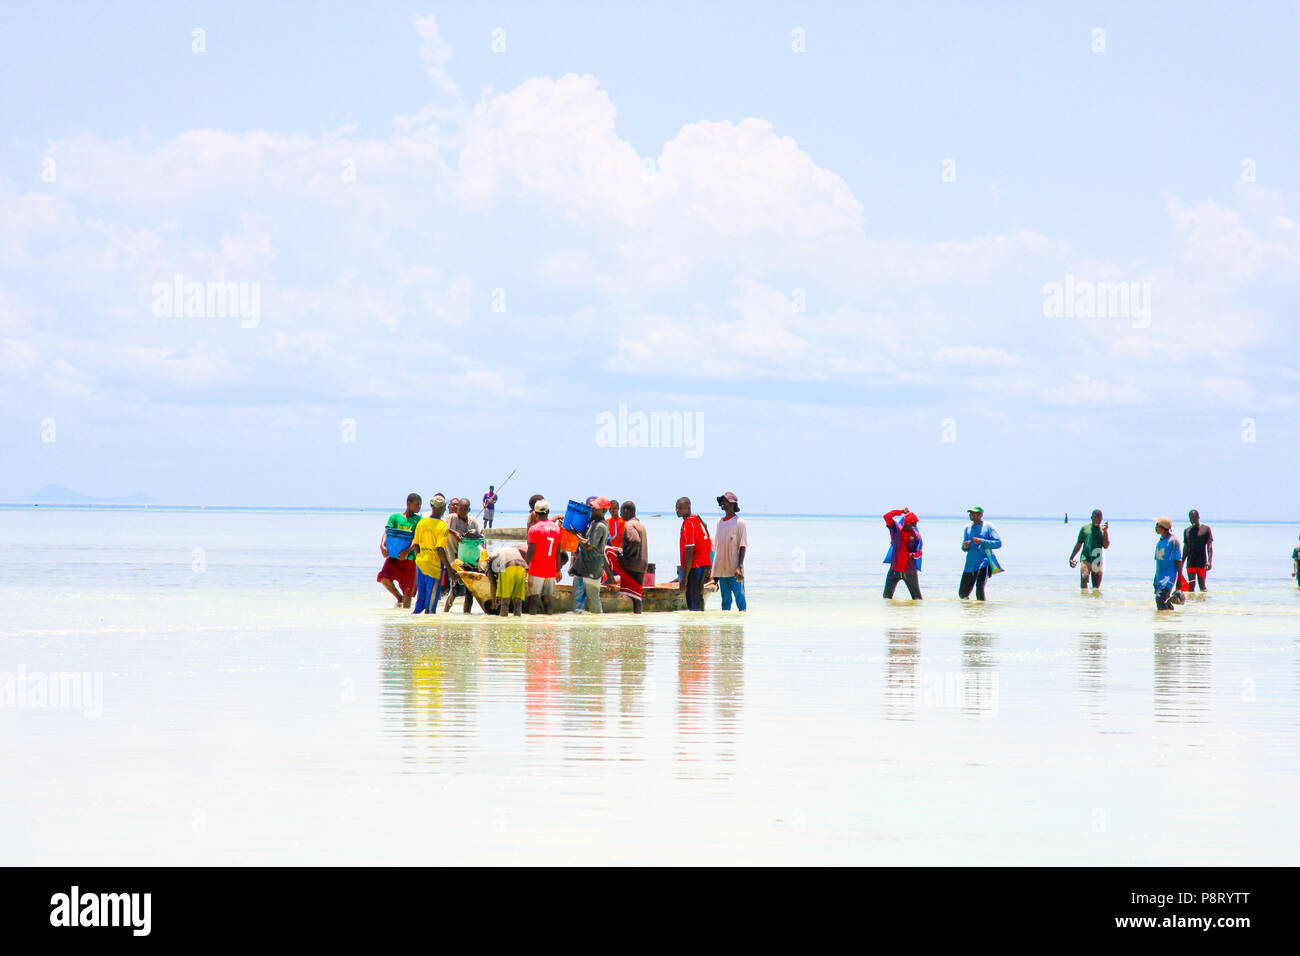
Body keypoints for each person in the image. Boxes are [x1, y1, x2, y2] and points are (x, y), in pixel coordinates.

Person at [411, 495, 454, 614]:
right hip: (434, 566)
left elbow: (417, 546)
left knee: (420, 601)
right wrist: (449, 569)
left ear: (432, 506)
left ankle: (414, 628)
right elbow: (440, 549)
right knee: (430, 604)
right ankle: (428, 630)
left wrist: (419, 560)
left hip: (421, 563)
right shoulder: (442, 526)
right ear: (443, 508)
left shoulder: (422, 522)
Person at [377, 493, 421, 608]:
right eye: (416, 504)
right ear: (408, 503)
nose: (418, 507)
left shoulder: (419, 520)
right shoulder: (395, 517)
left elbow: (416, 539)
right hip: (393, 556)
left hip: (409, 558)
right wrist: (382, 545)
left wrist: (407, 551)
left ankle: (405, 622)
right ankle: (398, 598)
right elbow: (387, 532)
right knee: (384, 578)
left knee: (408, 590)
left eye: (420, 505)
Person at [607, 501, 648, 613]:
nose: (621, 514)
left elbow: (635, 541)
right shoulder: (640, 524)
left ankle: (610, 578)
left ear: (627, 511)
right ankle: (637, 619)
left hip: (632, 565)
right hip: (642, 565)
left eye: (621, 511)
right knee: (637, 598)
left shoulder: (629, 524)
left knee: (606, 551)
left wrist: (625, 554)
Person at [443, 499, 483, 613]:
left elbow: (481, 536)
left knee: (470, 592)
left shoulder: (473, 521)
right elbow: (442, 527)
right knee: (454, 590)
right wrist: (454, 532)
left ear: (469, 509)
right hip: (454, 560)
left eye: (465, 509)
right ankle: (445, 612)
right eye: (460, 509)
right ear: (457, 509)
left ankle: (467, 614)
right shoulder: (450, 518)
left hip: (470, 561)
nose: (463, 512)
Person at [571, 498, 610, 613]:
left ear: (603, 511)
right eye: (592, 507)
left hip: (593, 568)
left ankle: (597, 625)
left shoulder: (600, 526)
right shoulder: (593, 523)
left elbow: (588, 545)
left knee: (593, 600)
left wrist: (575, 534)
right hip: (582, 567)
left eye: (595, 509)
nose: (592, 510)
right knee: (577, 600)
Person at [712, 492, 748, 610]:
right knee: (725, 600)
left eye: (725, 501)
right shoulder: (720, 522)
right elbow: (716, 547)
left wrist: (739, 566)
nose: (722, 504)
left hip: (734, 569)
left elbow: (743, 546)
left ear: (732, 504)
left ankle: (741, 626)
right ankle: (725, 626)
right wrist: (714, 572)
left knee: (740, 598)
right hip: (722, 569)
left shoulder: (740, 522)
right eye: (722, 502)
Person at [524, 499, 562, 614]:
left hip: (536, 569)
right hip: (550, 570)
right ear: (548, 511)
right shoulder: (556, 528)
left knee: (533, 600)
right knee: (547, 599)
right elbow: (557, 552)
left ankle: (533, 629)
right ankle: (549, 627)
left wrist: (525, 567)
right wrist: (558, 570)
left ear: (535, 513)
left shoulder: (534, 529)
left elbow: (531, 551)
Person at [676, 496, 713, 611]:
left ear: (688, 508)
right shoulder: (697, 519)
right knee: (699, 598)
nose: (678, 510)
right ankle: (700, 626)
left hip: (696, 565)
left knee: (692, 600)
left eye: (680, 508)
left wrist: (685, 578)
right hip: (704, 564)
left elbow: (689, 552)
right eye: (676, 508)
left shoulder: (688, 523)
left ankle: (694, 627)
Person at [959, 506, 1002, 601]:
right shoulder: (967, 528)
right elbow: (964, 547)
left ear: (981, 515)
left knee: (979, 589)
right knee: (962, 594)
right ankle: (969, 611)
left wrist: (982, 541)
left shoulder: (988, 526)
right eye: (971, 513)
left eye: (975, 513)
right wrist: (965, 546)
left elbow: (998, 543)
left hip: (984, 562)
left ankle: (981, 612)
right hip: (970, 564)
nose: (972, 515)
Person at [882, 507, 922, 600]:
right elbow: (886, 516)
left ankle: (915, 614)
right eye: (913, 523)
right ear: (907, 523)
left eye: (915, 523)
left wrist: (914, 555)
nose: (915, 525)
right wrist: (900, 512)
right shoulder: (896, 529)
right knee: (886, 597)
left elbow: (919, 552)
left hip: (909, 571)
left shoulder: (916, 536)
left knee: (917, 598)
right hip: (894, 570)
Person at [1069, 509, 1110, 590]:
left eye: (1100, 518)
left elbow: (1106, 545)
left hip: (1097, 560)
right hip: (1085, 557)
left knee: (1096, 588)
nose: (1098, 520)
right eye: (1096, 518)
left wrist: (1105, 532)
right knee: (1084, 577)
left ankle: (1093, 602)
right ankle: (1083, 599)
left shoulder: (1102, 530)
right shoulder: (1084, 529)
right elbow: (1079, 543)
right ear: (1092, 517)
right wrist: (1072, 557)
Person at [486, 542, 528, 616]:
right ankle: (518, 625)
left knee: (505, 602)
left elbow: (493, 584)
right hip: (522, 566)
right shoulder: (503, 550)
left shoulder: (487, 561)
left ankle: (503, 626)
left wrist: (493, 602)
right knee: (517, 601)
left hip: (507, 566)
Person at [1153, 517, 1184, 610]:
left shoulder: (1173, 541)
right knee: (1163, 602)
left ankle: (1163, 622)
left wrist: (1179, 579)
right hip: (1159, 578)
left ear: (1163, 527)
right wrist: (1155, 580)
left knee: (1160, 599)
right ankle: (1169, 620)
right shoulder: (1160, 541)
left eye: (1157, 525)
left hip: (1168, 578)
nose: (1155, 527)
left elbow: (1178, 561)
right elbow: (1158, 563)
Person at [1183, 510, 1213, 592]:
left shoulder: (1206, 529)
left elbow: (1209, 546)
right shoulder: (1187, 531)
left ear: (1198, 517)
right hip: (1190, 562)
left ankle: (1204, 603)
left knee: (1202, 586)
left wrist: (1209, 561)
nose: (1193, 519)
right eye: (1191, 518)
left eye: (1194, 517)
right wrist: (1181, 562)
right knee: (1191, 586)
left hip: (1202, 562)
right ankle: (1192, 604)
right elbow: (1186, 548)